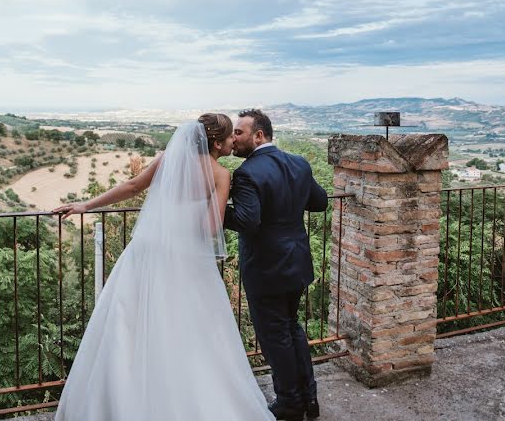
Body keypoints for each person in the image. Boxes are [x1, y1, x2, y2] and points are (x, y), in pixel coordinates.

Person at [51, 114, 273, 421]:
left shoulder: (170, 158)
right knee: (189, 331)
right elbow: (210, 228)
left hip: (146, 252)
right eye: (230, 137)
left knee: (128, 325)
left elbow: (132, 186)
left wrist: (85, 206)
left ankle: (119, 401)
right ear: (217, 142)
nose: (235, 141)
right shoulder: (221, 175)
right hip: (186, 260)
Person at [224, 109, 328, 421]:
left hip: (266, 268)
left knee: (275, 338)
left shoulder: (247, 173)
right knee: (292, 329)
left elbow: (247, 220)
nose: (233, 138)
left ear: (259, 135)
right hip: (296, 262)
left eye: (239, 132)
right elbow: (319, 202)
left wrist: (213, 207)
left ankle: (290, 404)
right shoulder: (298, 162)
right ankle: (309, 399)